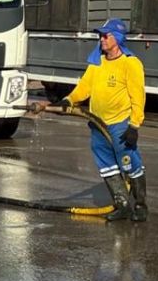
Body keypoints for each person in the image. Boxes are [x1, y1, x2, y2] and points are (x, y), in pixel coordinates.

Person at [61, 17, 148, 223]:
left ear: (117, 38)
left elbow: (138, 96)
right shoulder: (97, 62)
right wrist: (69, 99)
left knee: (129, 164)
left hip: (120, 125)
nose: (102, 40)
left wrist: (134, 125)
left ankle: (140, 205)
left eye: (106, 36)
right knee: (107, 165)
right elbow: (85, 87)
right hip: (98, 125)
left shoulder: (130, 64)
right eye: (100, 36)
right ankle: (122, 205)